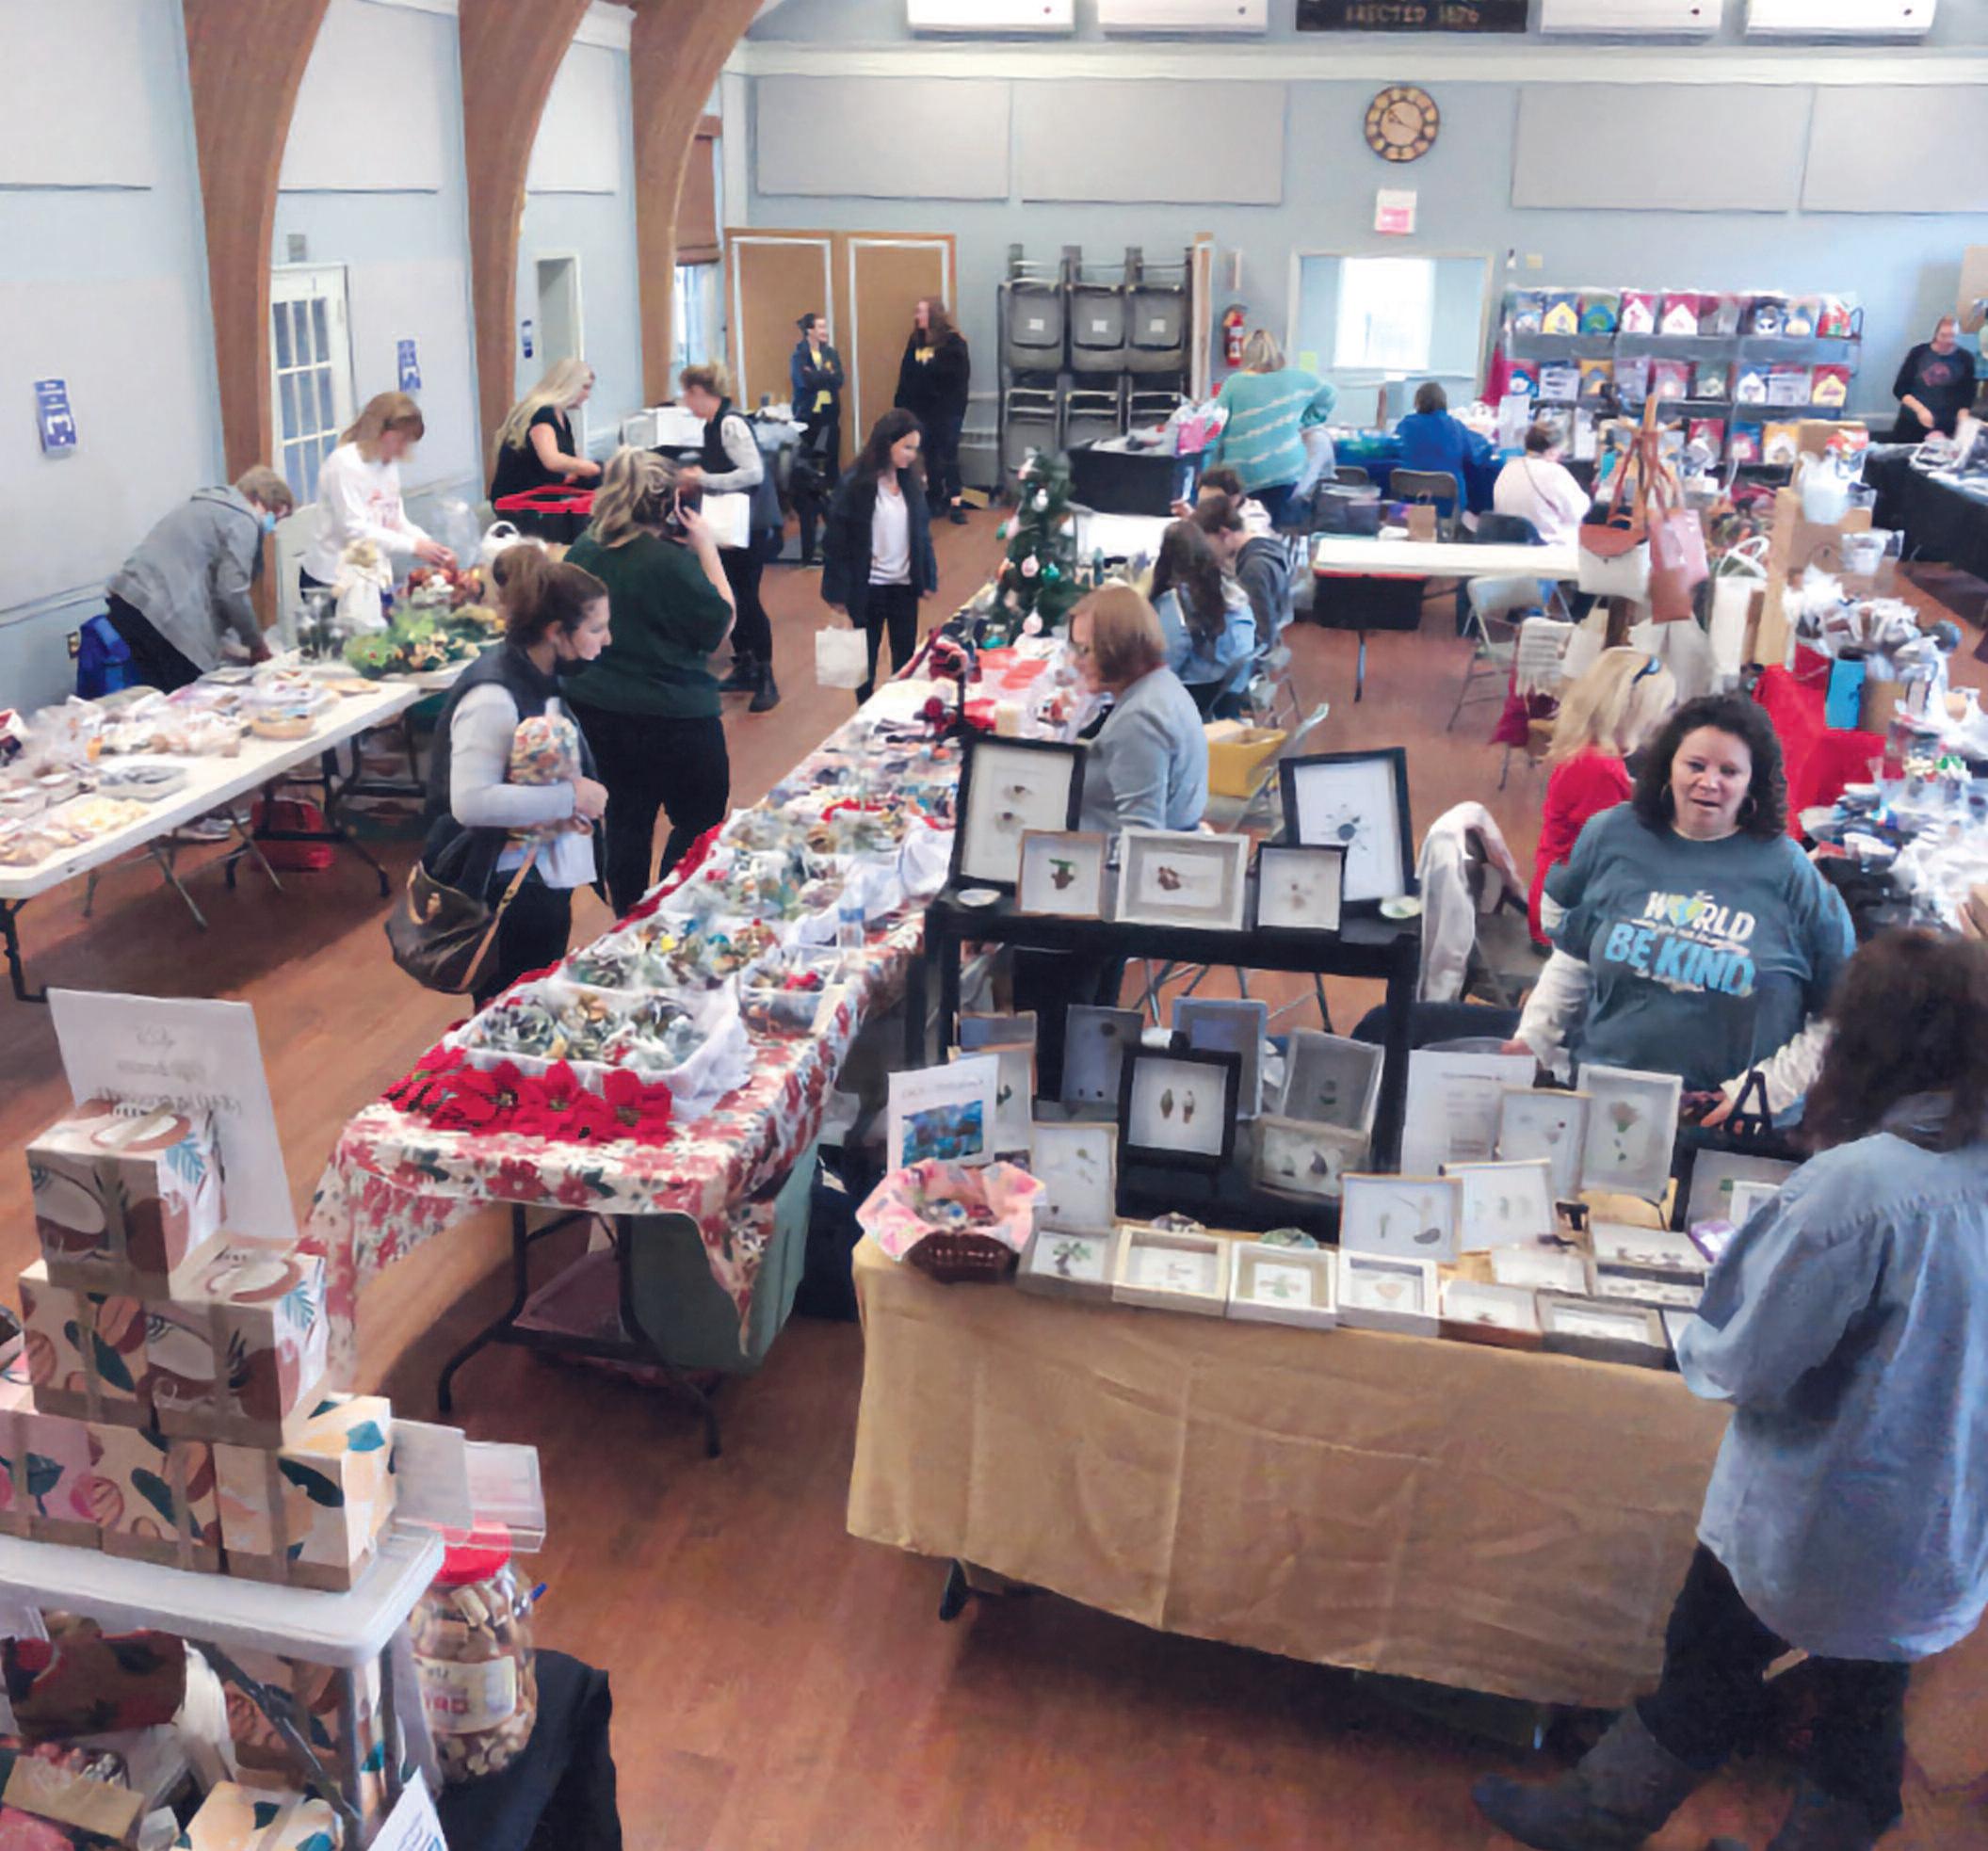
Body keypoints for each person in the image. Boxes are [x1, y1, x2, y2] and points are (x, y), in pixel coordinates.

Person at [1475, 927, 1988, 1851]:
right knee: (1863, 1701)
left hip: (1819, 1510)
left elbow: (1743, 1365)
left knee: (1707, 1661)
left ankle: (1597, 1818)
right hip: (1943, 1520)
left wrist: (1710, 1322)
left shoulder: (1855, 1189)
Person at [1508, 693, 1855, 1121]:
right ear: (1668, 766)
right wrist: (1535, 1038)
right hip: (1602, 1102)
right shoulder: (1611, 835)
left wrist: (1762, 1093)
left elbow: (1839, 1014)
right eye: (1695, 765)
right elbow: (1574, 955)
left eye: (1729, 771)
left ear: (1753, 783)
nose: (1709, 782)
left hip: (1725, 1123)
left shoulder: (1792, 874)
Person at [422, 549, 611, 1007]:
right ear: (555, 632)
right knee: (510, 1009)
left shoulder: (538, 675)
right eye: (596, 629)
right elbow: (470, 802)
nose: (606, 640)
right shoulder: (492, 695)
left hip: (536, 878)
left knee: (534, 1000)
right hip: (506, 889)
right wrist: (570, 798)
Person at [563, 448, 736, 918]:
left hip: (597, 710)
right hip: (674, 715)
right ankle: (668, 907)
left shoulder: (583, 552)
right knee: (699, 819)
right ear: (668, 503)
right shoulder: (667, 563)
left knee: (626, 821)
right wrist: (705, 547)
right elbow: (721, 626)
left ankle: (628, 918)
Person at [1527, 649, 1678, 944]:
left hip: (1563, 893)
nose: (1661, 720)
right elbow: (1611, 851)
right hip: (1567, 913)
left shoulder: (1592, 754)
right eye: (1659, 710)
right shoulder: (1600, 768)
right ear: (1635, 714)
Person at [104, 468, 295, 691]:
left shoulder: (202, 505)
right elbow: (232, 591)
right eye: (274, 516)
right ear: (257, 498)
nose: (270, 528)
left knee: (157, 694)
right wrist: (256, 644)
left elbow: (215, 594)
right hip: (164, 618)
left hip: (129, 600)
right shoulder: (244, 519)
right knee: (189, 694)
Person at [678, 362, 779, 713]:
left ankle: (766, 674)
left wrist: (703, 479)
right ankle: (746, 662)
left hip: (748, 527)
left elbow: (753, 473)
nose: (685, 401)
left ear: (700, 392)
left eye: (687, 394)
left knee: (746, 598)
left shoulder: (730, 424)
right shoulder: (713, 424)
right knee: (731, 594)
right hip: (732, 525)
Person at [1071, 584, 1209, 836]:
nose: (1075, 662)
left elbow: (1139, 838)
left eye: (1084, 650)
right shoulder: (1161, 684)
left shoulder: (1139, 721)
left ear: (1117, 648)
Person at [820, 410, 938, 704]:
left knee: (905, 661)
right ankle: (864, 712)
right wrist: (836, 591)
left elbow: (922, 535)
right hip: (867, 588)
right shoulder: (855, 485)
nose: (912, 455)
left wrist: (927, 576)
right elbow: (836, 542)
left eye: (915, 448)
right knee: (863, 665)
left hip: (903, 587)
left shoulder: (911, 484)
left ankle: (899, 712)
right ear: (888, 443)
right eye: (906, 447)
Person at [299, 392, 455, 595]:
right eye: (402, 440)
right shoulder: (344, 464)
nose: (404, 449)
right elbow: (354, 529)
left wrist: (430, 548)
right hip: (332, 579)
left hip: (370, 577)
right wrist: (413, 546)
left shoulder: (387, 464)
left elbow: (395, 521)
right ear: (382, 434)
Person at [1203, 330, 1337, 528]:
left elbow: (1214, 428)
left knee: (1245, 527)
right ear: (1278, 352)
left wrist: (1207, 469)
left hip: (1243, 473)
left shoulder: (1234, 384)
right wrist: (1305, 420)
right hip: (1286, 471)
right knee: (1277, 528)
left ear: (1246, 354)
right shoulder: (1299, 379)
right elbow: (1330, 395)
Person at [1149, 518, 1256, 716]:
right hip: (1227, 695)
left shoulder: (1175, 606)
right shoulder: (1234, 593)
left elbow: (1161, 670)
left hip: (1181, 704)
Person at [489, 360, 602, 527]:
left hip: (541, 493)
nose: (587, 395)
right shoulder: (542, 414)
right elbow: (552, 460)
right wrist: (592, 468)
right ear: (568, 385)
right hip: (519, 500)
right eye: (585, 388)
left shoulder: (560, 416)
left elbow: (571, 459)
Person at [893, 298, 970, 525]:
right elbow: (907, 373)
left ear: (933, 315)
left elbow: (957, 378)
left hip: (947, 410)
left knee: (949, 454)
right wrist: (900, 404)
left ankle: (955, 502)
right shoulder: (916, 342)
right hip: (921, 409)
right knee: (928, 453)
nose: (918, 316)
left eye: (922, 312)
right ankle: (934, 497)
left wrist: (929, 370)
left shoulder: (953, 343)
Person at [1192, 490, 1291, 653]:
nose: (1207, 552)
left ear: (1224, 534)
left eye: (1207, 543)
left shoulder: (1253, 570)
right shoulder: (1264, 547)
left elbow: (1262, 637)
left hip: (1252, 657)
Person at [789, 314, 844, 566]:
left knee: (831, 469)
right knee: (810, 474)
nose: (825, 330)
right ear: (809, 330)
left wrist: (818, 375)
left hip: (830, 417)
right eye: (820, 326)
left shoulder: (831, 353)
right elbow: (805, 382)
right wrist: (824, 376)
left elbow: (838, 380)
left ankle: (834, 528)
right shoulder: (799, 356)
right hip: (808, 419)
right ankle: (811, 537)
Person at [1394, 380, 1493, 512]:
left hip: (1410, 505)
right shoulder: (1455, 427)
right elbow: (1479, 452)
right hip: (1449, 507)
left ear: (1417, 402)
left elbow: (1394, 448)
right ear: (1444, 403)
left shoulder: (1405, 425)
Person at [1493, 420, 1592, 546]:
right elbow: (1576, 511)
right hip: (1546, 546)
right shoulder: (1553, 472)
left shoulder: (1508, 468)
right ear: (1552, 450)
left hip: (1506, 543)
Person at [1889, 314, 1978, 443]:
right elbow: (1900, 389)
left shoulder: (1966, 358)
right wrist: (1920, 410)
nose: (1948, 341)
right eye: (1944, 336)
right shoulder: (1918, 353)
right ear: (1936, 335)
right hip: (1913, 420)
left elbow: (1967, 395)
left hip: (1947, 424)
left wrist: (1963, 420)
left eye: (1953, 336)